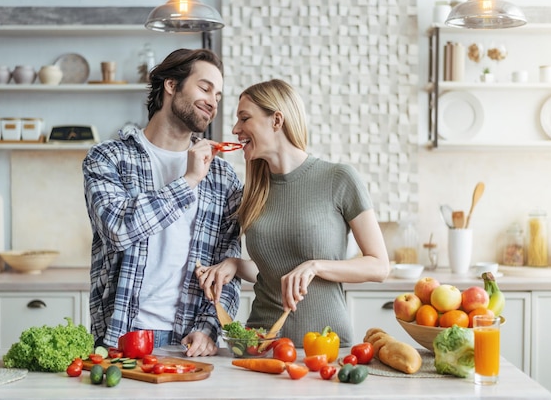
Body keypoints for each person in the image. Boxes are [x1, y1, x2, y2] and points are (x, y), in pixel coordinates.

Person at [196, 79, 391, 347]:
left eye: (244, 118)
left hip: (326, 344)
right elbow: (272, 272)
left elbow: (379, 266)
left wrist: (316, 266)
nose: (235, 129)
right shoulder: (253, 192)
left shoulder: (339, 178)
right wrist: (235, 265)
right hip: (261, 344)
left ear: (276, 120)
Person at [82, 48, 243, 357]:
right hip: (121, 336)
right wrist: (189, 181)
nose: (213, 102)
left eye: (219, 96)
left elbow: (228, 264)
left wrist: (209, 327)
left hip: (190, 341)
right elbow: (118, 229)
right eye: (205, 88)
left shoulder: (222, 176)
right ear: (171, 85)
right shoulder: (108, 158)